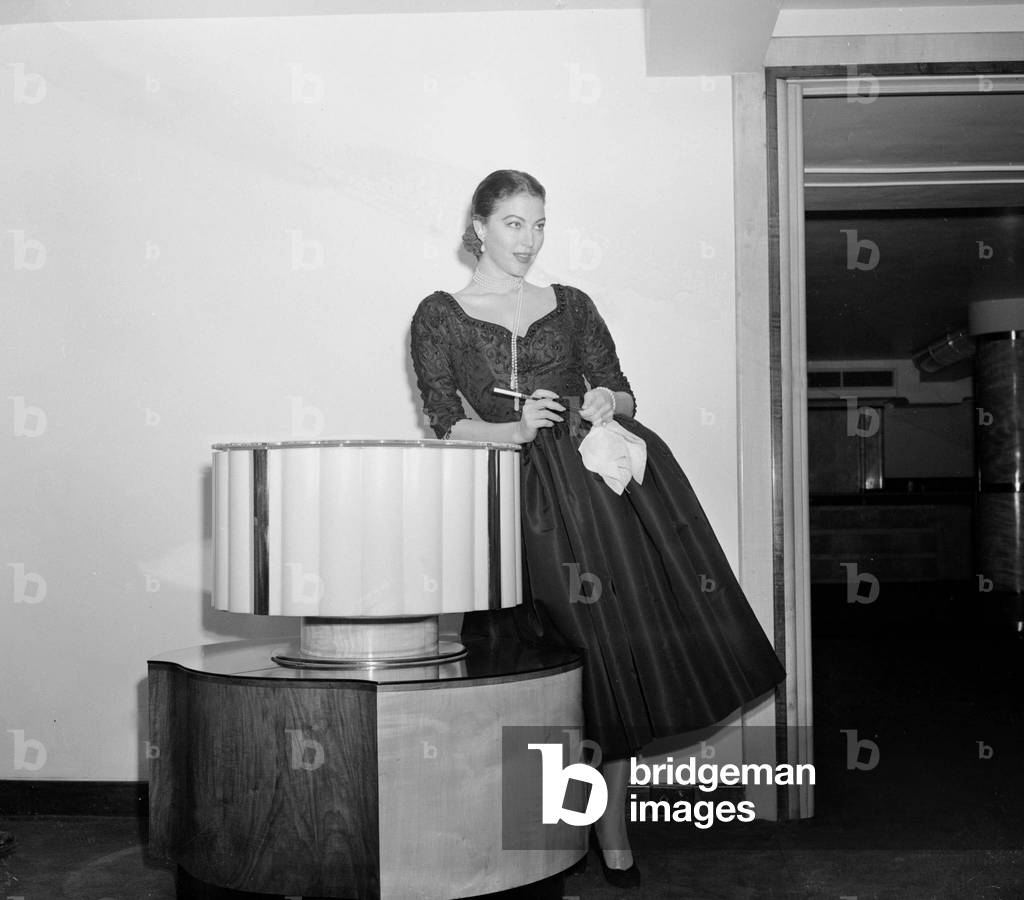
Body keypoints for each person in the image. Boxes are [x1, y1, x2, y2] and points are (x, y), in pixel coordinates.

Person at [410, 169, 785, 887]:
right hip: (506, 501)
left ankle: (613, 835)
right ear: (480, 226)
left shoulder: (572, 304)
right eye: (515, 222)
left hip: (592, 503)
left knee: (605, 660)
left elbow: (621, 386)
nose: (529, 238)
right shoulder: (440, 314)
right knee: (523, 667)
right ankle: (539, 835)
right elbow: (442, 421)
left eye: (540, 223)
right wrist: (511, 428)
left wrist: (607, 399)